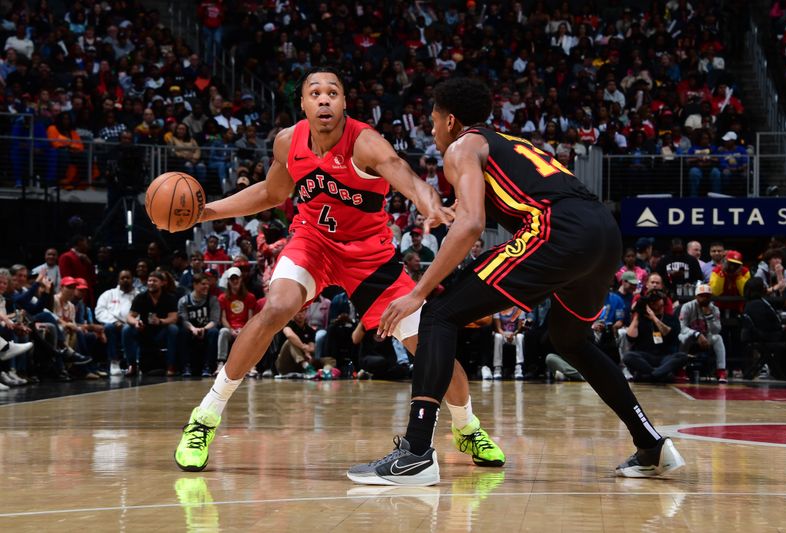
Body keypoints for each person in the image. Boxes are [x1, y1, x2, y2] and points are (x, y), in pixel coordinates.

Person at [348, 77, 684, 486]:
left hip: (557, 232)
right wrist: (446, 210)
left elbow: (473, 223)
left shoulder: (461, 146)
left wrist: (417, 293)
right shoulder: (508, 143)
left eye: (433, 121)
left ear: (451, 121)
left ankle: (416, 452)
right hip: (604, 234)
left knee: (437, 313)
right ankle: (650, 444)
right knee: (570, 339)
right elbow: (481, 206)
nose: (431, 130)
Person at [174, 68, 504, 472]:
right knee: (275, 308)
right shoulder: (287, 142)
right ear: (303, 104)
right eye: (315, 93)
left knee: (431, 345)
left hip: (369, 257)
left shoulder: (364, 142)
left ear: (345, 103)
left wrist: (428, 202)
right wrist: (207, 211)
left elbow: (403, 172)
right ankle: (204, 418)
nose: (324, 99)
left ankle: (466, 426)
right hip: (312, 243)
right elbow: (271, 193)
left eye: (333, 92)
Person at [623, 290, 689, 382]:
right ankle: (659, 374)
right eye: (653, 303)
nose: (656, 305)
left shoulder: (670, 318)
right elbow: (630, 338)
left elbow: (669, 334)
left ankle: (650, 375)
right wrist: (637, 313)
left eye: (659, 303)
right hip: (645, 357)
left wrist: (653, 318)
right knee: (628, 356)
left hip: (665, 357)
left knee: (683, 356)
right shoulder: (641, 319)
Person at [122, 271, 179, 376]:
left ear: (162, 283)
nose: (151, 283)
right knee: (126, 329)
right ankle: (132, 365)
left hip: (161, 331)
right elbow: (129, 316)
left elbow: (173, 318)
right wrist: (136, 323)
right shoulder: (141, 297)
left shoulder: (169, 298)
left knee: (173, 329)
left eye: (155, 281)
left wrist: (161, 321)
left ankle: (171, 366)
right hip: (144, 330)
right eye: (149, 280)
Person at [678, 283, 727, 383]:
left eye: (707, 296)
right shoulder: (687, 307)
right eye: (701, 296)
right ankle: (680, 369)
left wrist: (709, 316)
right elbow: (682, 328)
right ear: (696, 296)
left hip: (706, 338)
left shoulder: (714, 309)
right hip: (691, 337)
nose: (704, 298)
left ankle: (721, 371)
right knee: (683, 337)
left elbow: (717, 330)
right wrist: (697, 334)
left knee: (718, 338)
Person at [178, 273, 220, 377]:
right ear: (195, 285)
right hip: (190, 329)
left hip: (207, 328)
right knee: (182, 332)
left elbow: (215, 320)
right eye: (203, 284)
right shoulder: (184, 301)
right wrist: (193, 329)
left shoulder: (213, 299)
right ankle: (186, 366)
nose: (207, 286)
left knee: (214, 332)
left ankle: (208, 367)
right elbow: (184, 320)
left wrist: (203, 329)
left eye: (208, 284)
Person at [95, 270, 136, 376]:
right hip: (113, 324)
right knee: (108, 327)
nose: (125, 280)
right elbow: (99, 312)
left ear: (132, 280)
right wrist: (114, 321)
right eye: (122, 278)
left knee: (129, 330)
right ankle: (114, 362)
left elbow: (141, 312)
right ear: (118, 280)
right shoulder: (108, 294)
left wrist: (132, 323)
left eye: (128, 278)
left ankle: (132, 363)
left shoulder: (138, 295)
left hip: (131, 325)